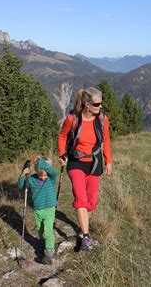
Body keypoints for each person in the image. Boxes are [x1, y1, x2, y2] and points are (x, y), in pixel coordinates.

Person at [58, 86, 112, 251]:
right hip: (76, 163)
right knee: (81, 198)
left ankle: (82, 232)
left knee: (91, 202)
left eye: (101, 104)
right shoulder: (72, 120)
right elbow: (62, 136)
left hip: (94, 163)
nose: (100, 107)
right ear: (87, 105)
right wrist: (62, 154)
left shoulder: (102, 120)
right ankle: (87, 237)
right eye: (97, 104)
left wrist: (108, 161)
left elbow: (106, 141)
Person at [18, 155, 57, 265]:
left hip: (49, 209)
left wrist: (40, 162)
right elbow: (21, 186)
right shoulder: (32, 179)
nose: (43, 178)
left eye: (44, 176)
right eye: (41, 176)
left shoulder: (51, 177)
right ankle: (43, 244)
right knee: (40, 230)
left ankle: (49, 253)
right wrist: (23, 174)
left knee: (47, 231)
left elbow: (50, 170)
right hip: (38, 210)